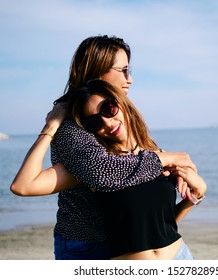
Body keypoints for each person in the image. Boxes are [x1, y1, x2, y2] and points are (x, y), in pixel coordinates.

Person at [11, 35, 196, 260]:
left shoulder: (118, 118)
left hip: (125, 242)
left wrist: (176, 177)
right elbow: (103, 171)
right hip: (89, 243)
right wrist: (164, 159)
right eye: (124, 70)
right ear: (99, 72)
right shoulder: (73, 126)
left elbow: (141, 170)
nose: (130, 79)